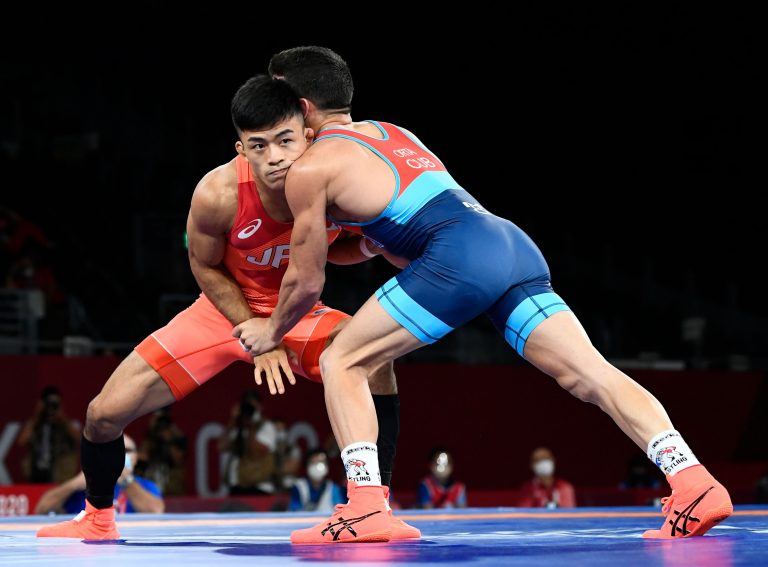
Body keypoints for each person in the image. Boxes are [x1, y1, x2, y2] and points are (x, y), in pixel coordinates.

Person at [236, 46, 733, 543]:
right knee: (591, 373)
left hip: (458, 255)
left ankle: (366, 505)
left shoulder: (310, 169)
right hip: (509, 244)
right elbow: (392, 236)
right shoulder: (392, 133)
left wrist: (272, 328)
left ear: (300, 108)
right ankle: (692, 479)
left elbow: (307, 282)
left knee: (343, 359)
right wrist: (365, 240)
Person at [37, 75, 417, 540]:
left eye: (284, 140)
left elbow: (343, 247)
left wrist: (368, 249)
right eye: (258, 146)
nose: (274, 157)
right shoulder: (218, 194)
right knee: (102, 414)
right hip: (221, 315)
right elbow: (204, 265)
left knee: (376, 362)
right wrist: (258, 330)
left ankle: (373, 505)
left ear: (308, 136)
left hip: (296, 313)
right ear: (241, 150)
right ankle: (97, 517)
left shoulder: (337, 180)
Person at [34, 433, 164, 515]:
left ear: (136, 458)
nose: (117, 455)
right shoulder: (87, 484)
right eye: (112, 449)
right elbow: (42, 509)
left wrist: (126, 481)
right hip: (89, 551)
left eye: (126, 450)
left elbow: (157, 511)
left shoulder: (146, 486)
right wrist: (74, 484)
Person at [17, 386, 80, 484]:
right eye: (48, 403)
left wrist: (62, 417)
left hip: (60, 471)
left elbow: (78, 437)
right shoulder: (35, 423)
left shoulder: (67, 423)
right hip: (37, 470)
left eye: (55, 404)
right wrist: (37, 415)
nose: (51, 407)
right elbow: (21, 441)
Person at [218, 390, 278, 495]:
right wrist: (233, 419)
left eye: (253, 407)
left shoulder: (267, 427)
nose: (250, 411)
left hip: (259, 488)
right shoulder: (238, 428)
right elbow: (220, 446)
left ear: (260, 408)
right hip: (237, 486)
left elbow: (255, 453)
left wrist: (252, 426)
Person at [289, 448, 345, 513]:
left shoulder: (333, 488)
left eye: (321, 462)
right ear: (307, 466)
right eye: (313, 462)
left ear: (327, 466)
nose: (317, 466)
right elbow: (294, 511)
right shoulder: (299, 486)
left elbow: (341, 512)